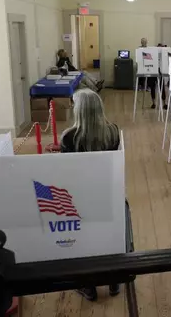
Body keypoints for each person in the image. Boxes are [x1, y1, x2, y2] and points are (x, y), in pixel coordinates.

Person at [59, 89, 120, 300]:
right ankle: (113, 281)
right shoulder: (113, 131)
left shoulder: (68, 137)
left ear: (80, 110)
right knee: (108, 238)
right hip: (107, 194)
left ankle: (88, 286)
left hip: (79, 199)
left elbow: (64, 173)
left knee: (83, 242)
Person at [147, 43, 168, 110]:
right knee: (152, 87)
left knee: (162, 88)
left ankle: (164, 103)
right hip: (153, 70)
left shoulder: (163, 55)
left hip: (160, 70)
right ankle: (153, 103)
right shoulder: (152, 53)